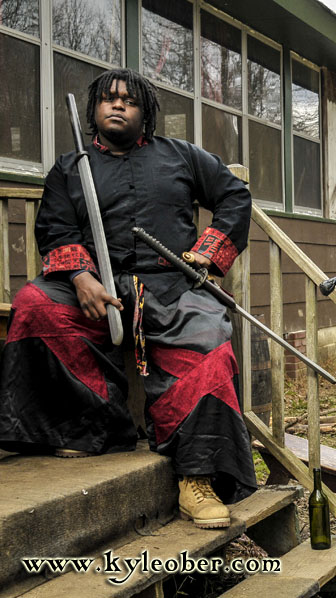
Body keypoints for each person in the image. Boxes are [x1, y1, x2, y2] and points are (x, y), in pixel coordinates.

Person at [0, 68, 256, 528]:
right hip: (97, 288)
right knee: (36, 307)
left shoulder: (181, 156)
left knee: (210, 349)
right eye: (109, 99)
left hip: (171, 284)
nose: (117, 106)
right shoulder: (69, 169)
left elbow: (234, 194)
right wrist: (79, 275)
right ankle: (94, 428)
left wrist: (206, 253)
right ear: (95, 109)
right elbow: (55, 226)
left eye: (129, 101)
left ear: (146, 113)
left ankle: (195, 479)